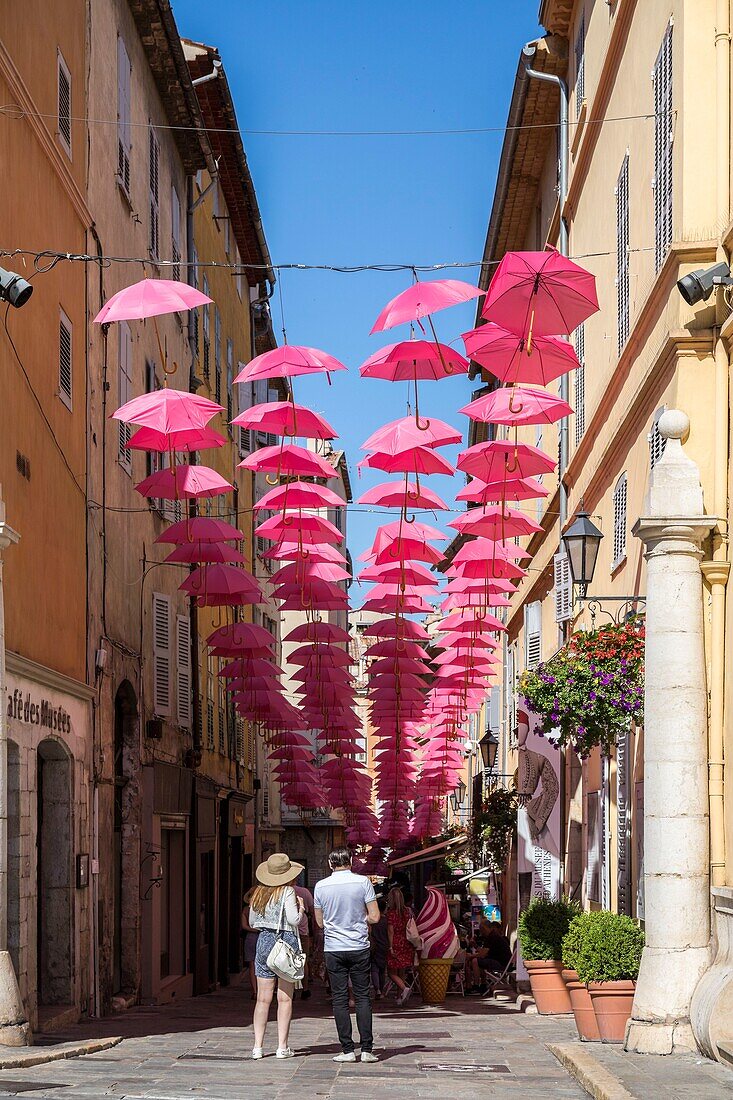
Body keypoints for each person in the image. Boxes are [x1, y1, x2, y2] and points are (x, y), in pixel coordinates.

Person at [314, 847, 380, 1064]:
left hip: (334, 948)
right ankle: (368, 1049)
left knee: (340, 999)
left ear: (330, 863)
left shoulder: (321, 886)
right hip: (358, 945)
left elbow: (319, 922)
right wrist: (360, 919)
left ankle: (348, 1049)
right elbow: (375, 917)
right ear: (351, 861)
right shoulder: (363, 883)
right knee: (362, 997)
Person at [247, 852, 305, 1060]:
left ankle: (257, 1047)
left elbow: (253, 922)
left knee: (262, 999)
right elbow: (293, 920)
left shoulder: (258, 893)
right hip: (284, 944)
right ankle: (282, 1046)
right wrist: (301, 909)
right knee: (284, 998)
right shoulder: (288, 892)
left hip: (262, 942)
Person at [386, 886, 415, 1005]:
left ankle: (404, 989)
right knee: (401, 971)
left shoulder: (391, 913)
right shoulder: (408, 911)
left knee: (391, 972)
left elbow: (390, 931)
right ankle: (399, 997)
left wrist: (390, 946)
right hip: (406, 942)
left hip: (396, 943)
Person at [293, 880, 314, 1000]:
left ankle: (291, 989)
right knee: (303, 960)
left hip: (288, 931)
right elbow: (312, 910)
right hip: (303, 931)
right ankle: (305, 988)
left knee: (287, 960)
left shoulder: (283, 891)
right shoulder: (305, 892)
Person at [370, 898, 388, 998]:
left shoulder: (373, 920)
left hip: (374, 946)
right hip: (384, 946)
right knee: (382, 970)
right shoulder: (387, 921)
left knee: (374, 969)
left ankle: (377, 989)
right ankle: (381, 989)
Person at [241, 901, 259, 997]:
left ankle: (255, 991)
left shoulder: (246, 910)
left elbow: (244, 926)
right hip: (261, 936)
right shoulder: (263, 908)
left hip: (250, 936)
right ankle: (263, 989)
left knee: (252, 965)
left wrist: (253, 929)